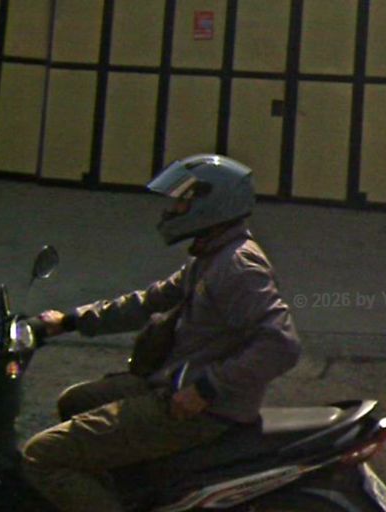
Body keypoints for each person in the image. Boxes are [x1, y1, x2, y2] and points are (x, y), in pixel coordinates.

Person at [22, 154, 301, 512]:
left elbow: (281, 344)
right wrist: (70, 320)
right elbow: (148, 302)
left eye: (183, 200)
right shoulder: (210, 256)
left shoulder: (238, 266)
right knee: (75, 401)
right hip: (172, 384)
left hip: (202, 409)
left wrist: (206, 389)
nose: (173, 209)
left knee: (42, 456)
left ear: (212, 204)